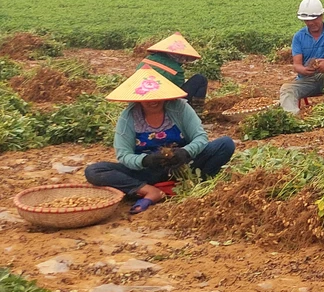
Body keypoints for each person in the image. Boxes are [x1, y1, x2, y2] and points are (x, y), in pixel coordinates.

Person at [85, 68, 235, 214]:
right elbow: (123, 154)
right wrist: (146, 160)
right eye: (147, 98)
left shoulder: (180, 108)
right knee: (94, 171)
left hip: (184, 165)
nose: (153, 101)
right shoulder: (129, 116)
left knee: (226, 144)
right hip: (147, 172)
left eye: (157, 96)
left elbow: (200, 137)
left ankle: (195, 184)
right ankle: (149, 190)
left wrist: (185, 152)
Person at [139, 33, 207, 112]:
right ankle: (195, 112)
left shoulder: (145, 60)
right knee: (200, 79)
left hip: (142, 98)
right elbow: (178, 92)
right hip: (164, 103)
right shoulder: (176, 71)